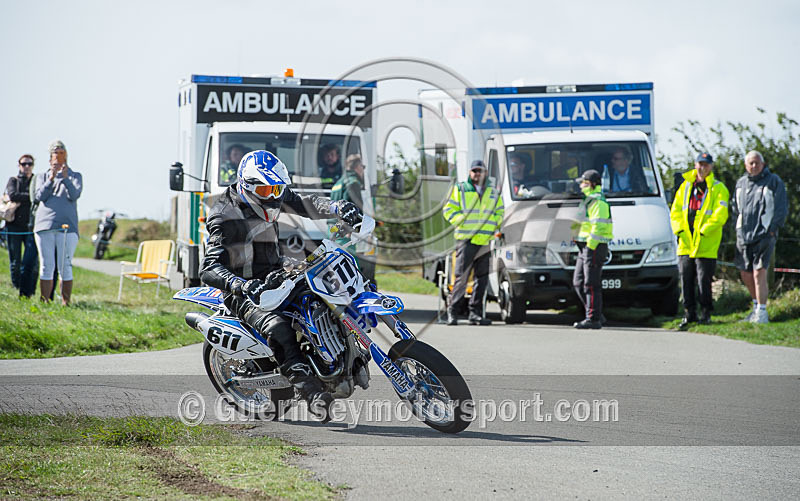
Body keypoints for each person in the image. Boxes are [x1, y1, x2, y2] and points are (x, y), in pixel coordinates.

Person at [200, 149, 363, 412]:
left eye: (278, 190)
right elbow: (209, 267)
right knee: (278, 328)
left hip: (277, 273)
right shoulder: (224, 217)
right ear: (246, 186)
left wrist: (336, 207)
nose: (274, 198)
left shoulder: (270, 191)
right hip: (245, 289)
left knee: (323, 292)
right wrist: (242, 285)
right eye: (266, 192)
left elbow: (304, 202)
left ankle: (334, 356)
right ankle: (308, 389)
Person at [670, 153, 729, 329]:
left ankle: (706, 313)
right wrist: (679, 230)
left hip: (706, 243)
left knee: (704, 281)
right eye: (700, 164)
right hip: (686, 242)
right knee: (686, 279)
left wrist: (703, 231)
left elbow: (720, 215)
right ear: (695, 165)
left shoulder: (719, 188)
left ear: (711, 167)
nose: (703, 168)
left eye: (706, 165)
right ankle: (689, 313)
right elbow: (675, 212)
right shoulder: (685, 186)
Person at [442, 160, 504, 326]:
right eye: (474, 171)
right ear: (470, 173)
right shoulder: (461, 189)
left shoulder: (492, 192)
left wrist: (494, 223)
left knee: (481, 278)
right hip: (466, 240)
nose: (477, 174)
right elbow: (448, 210)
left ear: (485, 173)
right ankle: (452, 312)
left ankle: (475, 314)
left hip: (484, 240)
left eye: (480, 171)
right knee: (461, 278)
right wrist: (460, 220)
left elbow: (500, 211)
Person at [730, 150, 787, 324]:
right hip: (744, 236)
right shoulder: (741, 183)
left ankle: (762, 312)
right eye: (750, 163)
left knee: (759, 272)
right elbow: (734, 208)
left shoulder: (773, 181)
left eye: (757, 163)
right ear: (746, 166)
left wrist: (772, 229)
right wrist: (737, 227)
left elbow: (781, 207)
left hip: (764, 235)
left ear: (763, 164)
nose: (754, 166)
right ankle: (755, 307)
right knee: (745, 274)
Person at [33, 140, 83, 305]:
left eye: (62, 154)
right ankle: (45, 300)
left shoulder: (76, 176)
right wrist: (52, 178)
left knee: (65, 265)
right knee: (47, 265)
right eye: (55, 154)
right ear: (50, 159)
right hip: (45, 226)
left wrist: (66, 178)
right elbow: (39, 197)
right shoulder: (42, 176)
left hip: (67, 228)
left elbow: (74, 195)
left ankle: (65, 302)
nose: (59, 157)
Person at [572, 169, 613, 329]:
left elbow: (598, 226)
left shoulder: (597, 201)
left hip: (593, 247)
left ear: (592, 184)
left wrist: (590, 246)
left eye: (583, 183)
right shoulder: (588, 200)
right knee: (578, 282)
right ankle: (596, 314)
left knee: (591, 283)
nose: (581, 186)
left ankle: (593, 319)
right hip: (585, 247)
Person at [330, 154, 375, 282]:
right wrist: (354, 230)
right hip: (344, 231)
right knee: (350, 265)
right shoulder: (353, 183)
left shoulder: (338, 182)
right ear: (357, 167)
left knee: (336, 262)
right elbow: (355, 209)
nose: (363, 170)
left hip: (332, 228)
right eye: (363, 166)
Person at [4, 154, 39, 297]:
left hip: (31, 227)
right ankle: (17, 286)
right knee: (15, 260)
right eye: (24, 164)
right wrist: (30, 197)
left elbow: (38, 196)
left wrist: (24, 196)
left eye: (29, 164)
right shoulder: (13, 180)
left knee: (31, 262)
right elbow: (13, 195)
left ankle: (30, 289)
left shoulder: (37, 180)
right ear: (19, 165)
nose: (26, 166)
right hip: (13, 227)